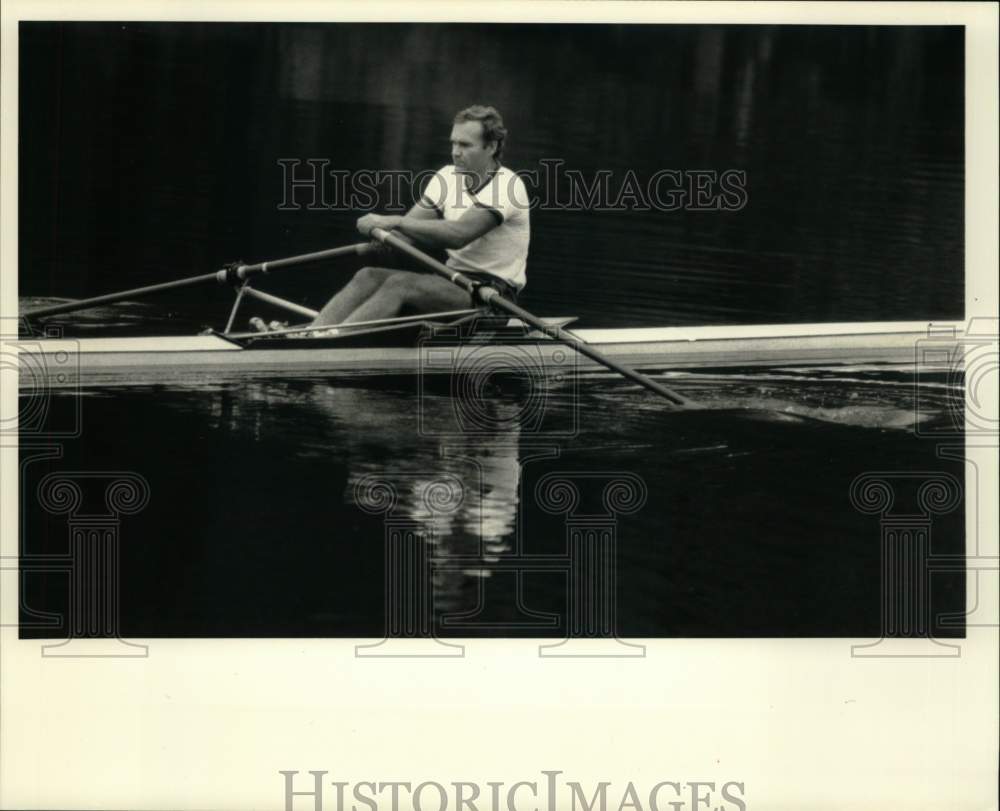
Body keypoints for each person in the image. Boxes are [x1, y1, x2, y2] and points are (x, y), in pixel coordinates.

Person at [307, 105, 530, 329]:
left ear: (491, 146)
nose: (455, 152)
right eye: (453, 142)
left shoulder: (508, 187)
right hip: (452, 281)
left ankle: (331, 343)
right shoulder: (446, 177)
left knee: (401, 284)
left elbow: (459, 235)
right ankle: (311, 334)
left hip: (494, 296)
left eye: (465, 145)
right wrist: (383, 239)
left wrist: (395, 221)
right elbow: (404, 236)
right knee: (367, 275)